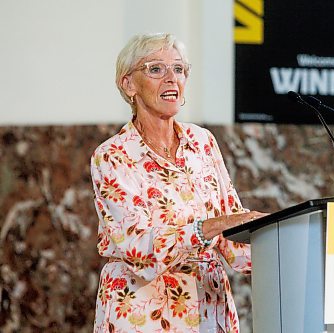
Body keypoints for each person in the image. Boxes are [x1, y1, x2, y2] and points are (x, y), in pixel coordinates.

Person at [90, 33, 267, 332]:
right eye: (156, 69)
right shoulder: (113, 155)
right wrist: (205, 228)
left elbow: (233, 236)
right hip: (142, 312)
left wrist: (281, 245)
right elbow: (137, 248)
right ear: (129, 84)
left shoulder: (203, 142)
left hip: (209, 307)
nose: (171, 79)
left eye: (179, 69)